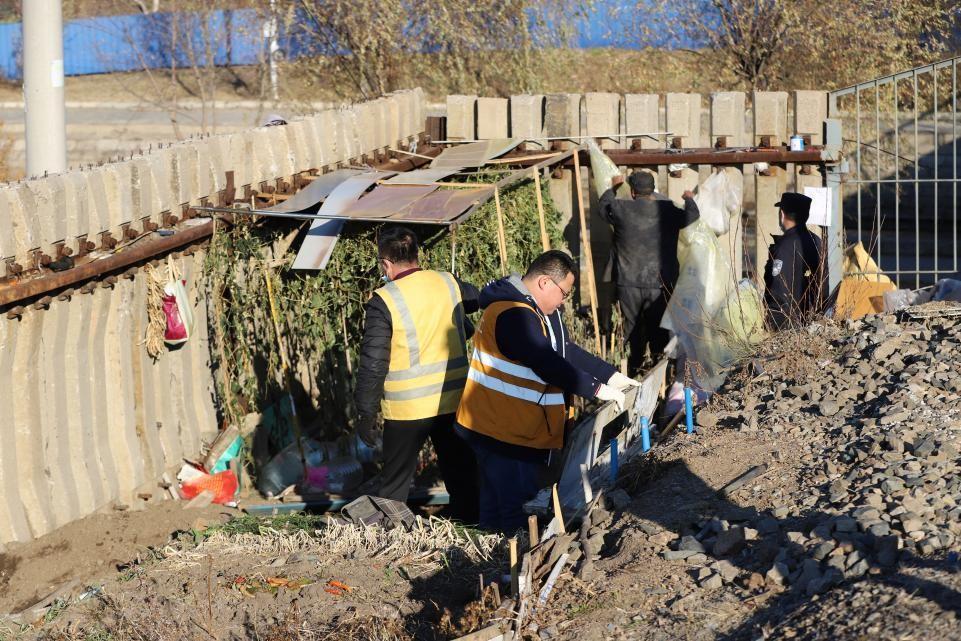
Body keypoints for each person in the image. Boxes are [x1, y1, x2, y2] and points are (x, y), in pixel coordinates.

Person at [455, 250, 639, 532]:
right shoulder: (513, 315)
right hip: (501, 431)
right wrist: (596, 389)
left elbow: (566, 351)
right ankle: (506, 567)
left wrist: (612, 378)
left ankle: (496, 563)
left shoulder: (538, 310)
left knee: (504, 503)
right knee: (514, 509)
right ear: (544, 283)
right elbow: (545, 361)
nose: (564, 301)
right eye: (564, 293)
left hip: (515, 427)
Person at [353, 226, 480, 522]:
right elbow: (476, 299)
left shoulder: (384, 300)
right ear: (416, 255)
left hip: (407, 410)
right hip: (453, 403)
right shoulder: (448, 283)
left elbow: (373, 364)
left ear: (385, 264)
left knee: (394, 487)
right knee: (463, 476)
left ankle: (390, 537)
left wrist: (365, 415)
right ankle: (472, 530)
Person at [597, 171, 699, 374]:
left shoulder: (620, 208)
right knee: (659, 331)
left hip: (628, 282)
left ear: (632, 192)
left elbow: (602, 208)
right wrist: (689, 198)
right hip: (660, 283)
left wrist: (614, 188)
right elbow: (692, 216)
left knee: (631, 328)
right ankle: (658, 372)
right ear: (653, 190)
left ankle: (633, 370)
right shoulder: (667, 210)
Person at [763, 192, 824, 330]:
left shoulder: (785, 245)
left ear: (782, 214)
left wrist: (773, 326)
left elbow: (778, 290)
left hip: (787, 326)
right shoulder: (817, 242)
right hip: (812, 323)